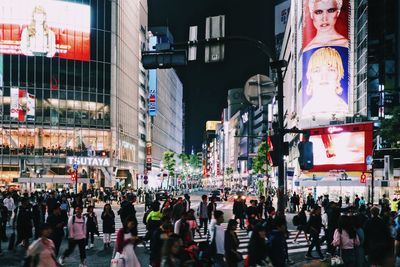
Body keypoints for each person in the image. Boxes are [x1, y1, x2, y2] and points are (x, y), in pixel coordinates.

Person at [302, 47, 348, 117]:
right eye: (317, 71)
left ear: (339, 74)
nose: (324, 77)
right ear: (310, 76)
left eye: (331, 70)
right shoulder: (306, 111)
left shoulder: (344, 110)